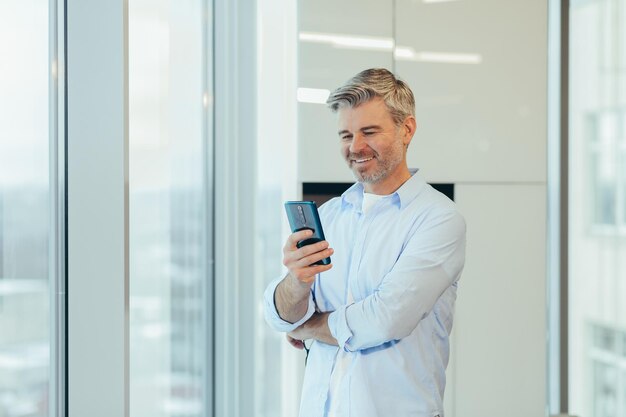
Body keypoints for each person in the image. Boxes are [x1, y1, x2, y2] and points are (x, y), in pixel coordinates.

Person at [263, 68, 466, 417]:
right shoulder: (329, 217)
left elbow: (384, 319)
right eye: (346, 134)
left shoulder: (438, 219)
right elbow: (277, 313)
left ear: (407, 129)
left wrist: (306, 326)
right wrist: (296, 283)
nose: (356, 147)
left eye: (369, 132)